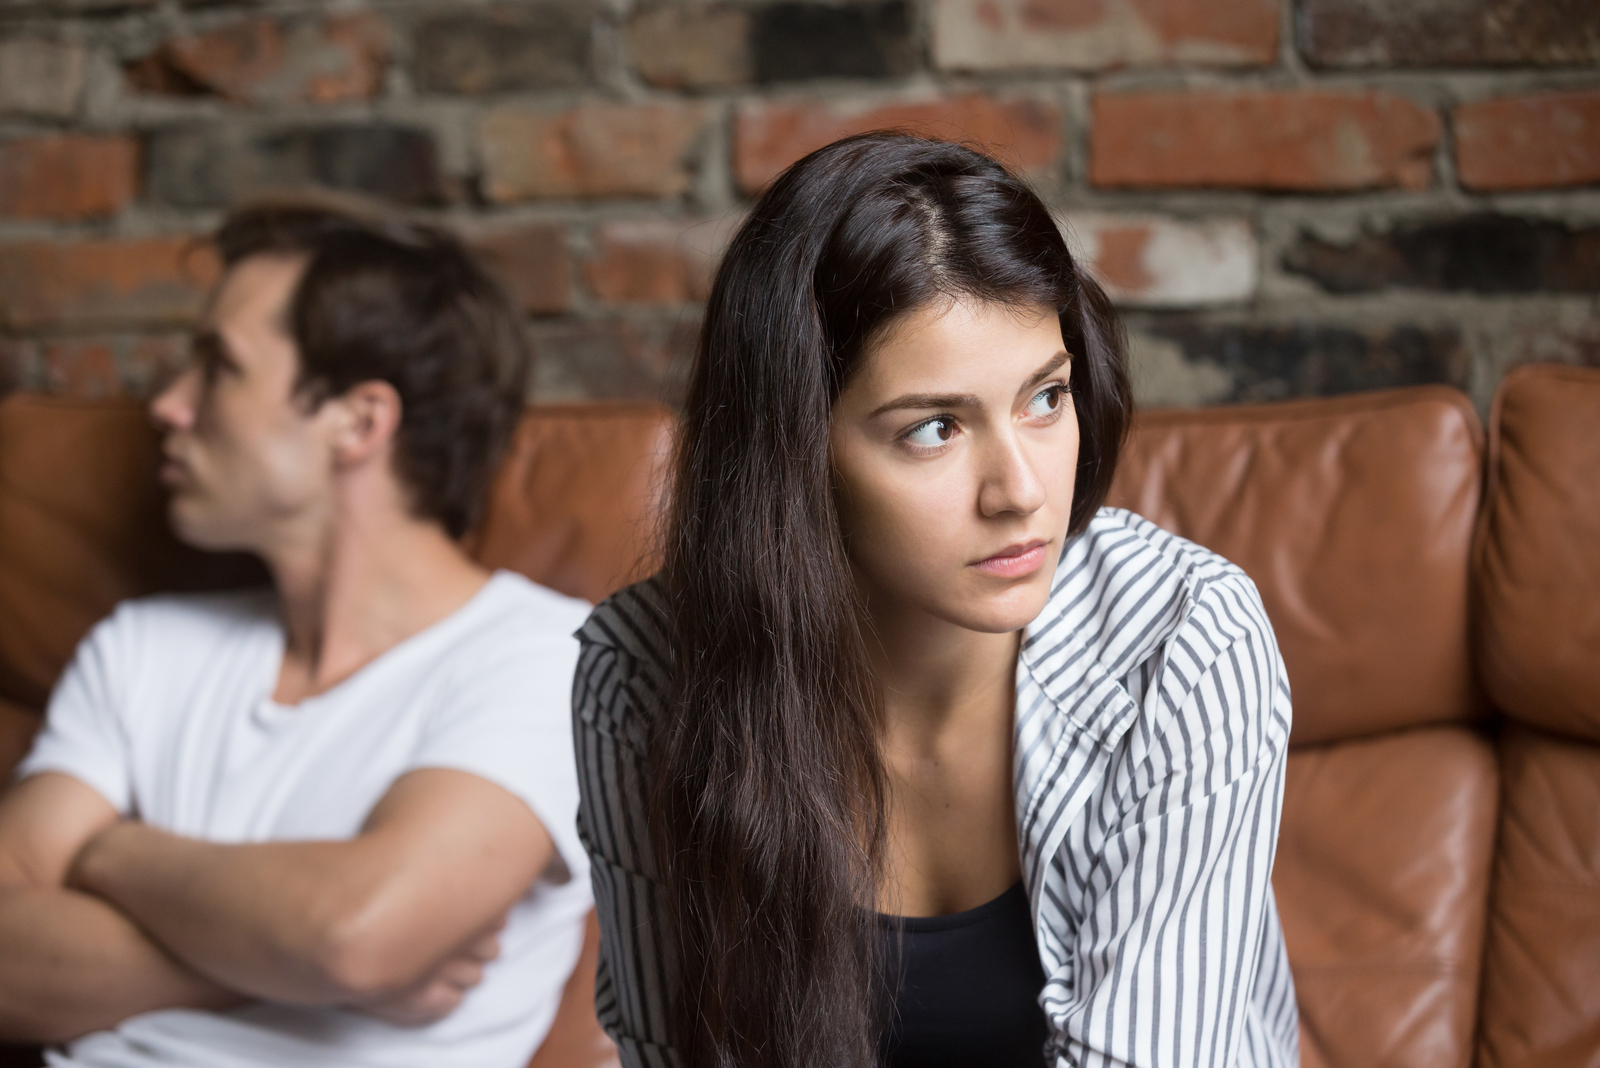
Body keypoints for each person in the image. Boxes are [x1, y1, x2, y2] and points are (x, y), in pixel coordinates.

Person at [573, 133, 1299, 1068]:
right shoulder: (640, 680)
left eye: (1046, 398)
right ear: (794, 457)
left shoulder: (1182, 645)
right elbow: (666, 1050)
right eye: (933, 428)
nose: (1021, 491)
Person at [0, 202, 593, 1067]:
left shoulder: (553, 660)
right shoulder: (142, 646)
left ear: (358, 422)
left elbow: (354, 935)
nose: (168, 405)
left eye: (219, 367)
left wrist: (109, 851)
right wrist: (292, 964)